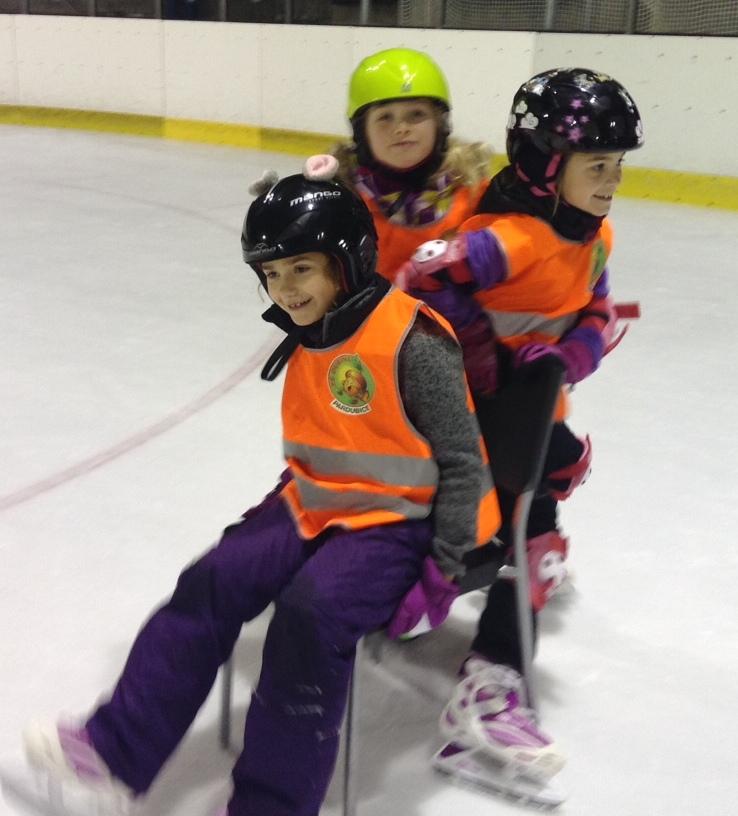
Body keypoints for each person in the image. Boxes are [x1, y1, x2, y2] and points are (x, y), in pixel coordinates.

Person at [11, 166, 501, 816]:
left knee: (310, 616)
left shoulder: (414, 340)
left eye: (301, 269)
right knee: (214, 578)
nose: (285, 288)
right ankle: (116, 750)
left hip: (399, 524)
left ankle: (272, 805)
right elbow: (333, 442)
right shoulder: (313, 334)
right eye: (271, 274)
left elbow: (463, 464)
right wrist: (272, 512)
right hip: (314, 505)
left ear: (347, 262)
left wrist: (443, 570)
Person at [397, 68, 644, 797]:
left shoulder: (592, 233)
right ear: (544, 164)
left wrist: (568, 359)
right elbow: (421, 277)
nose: (612, 181)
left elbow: (599, 311)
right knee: (508, 545)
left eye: (617, 165)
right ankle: (479, 679)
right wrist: (491, 362)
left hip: (526, 428)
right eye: (597, 165)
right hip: (467, 429)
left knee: (533, 544)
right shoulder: (509, 239)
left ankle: (492, 668)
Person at [329, 46, 499, 396]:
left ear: (440, 125)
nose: (401, 128)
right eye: (385, 117)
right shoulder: (343, 202)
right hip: (371, 372)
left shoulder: (475, 196)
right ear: (361, 132)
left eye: (416, 114)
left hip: (462, 371)